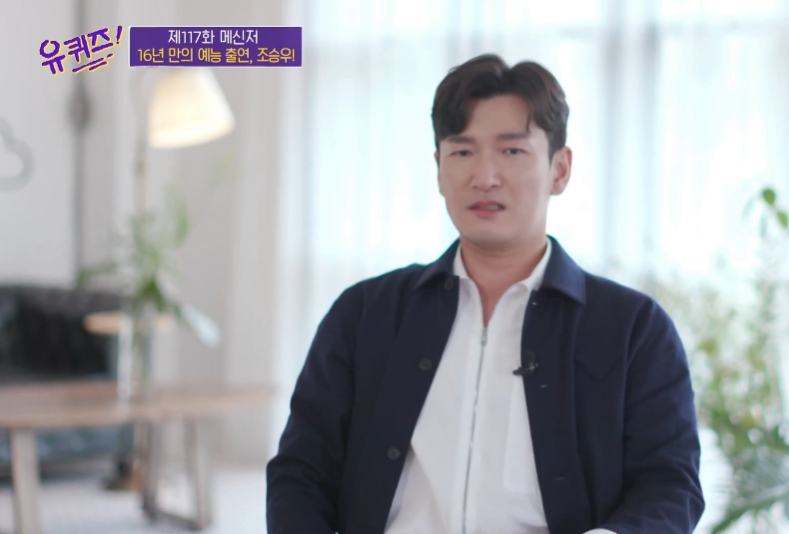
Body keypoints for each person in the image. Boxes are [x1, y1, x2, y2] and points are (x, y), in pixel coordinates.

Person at [266, 53, 704, 534]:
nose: (485, 177)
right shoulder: (366, 313)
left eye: (511, 151)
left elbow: (669, 487)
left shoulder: (633, 328)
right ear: (439, 169)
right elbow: (301, 473)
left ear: (559, 170)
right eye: (462, 152)